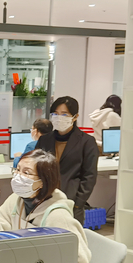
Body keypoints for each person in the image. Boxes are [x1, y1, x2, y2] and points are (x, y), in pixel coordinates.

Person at [0, 149, 91, 263]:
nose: (18, 176)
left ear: (43, 181)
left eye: (26, 172)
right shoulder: (15, 200)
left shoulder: (58, 216)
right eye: (17, 170)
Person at [35, 96, 98, 224]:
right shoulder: (45, 140)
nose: (59, 117)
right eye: (55, 114)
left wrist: (78, 203)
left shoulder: (86, 142)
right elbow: (35, 167)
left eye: (64, 114)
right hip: (44, 200)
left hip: (71, 202)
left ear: (75, 117)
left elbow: (89, 176)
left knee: (68, 234)